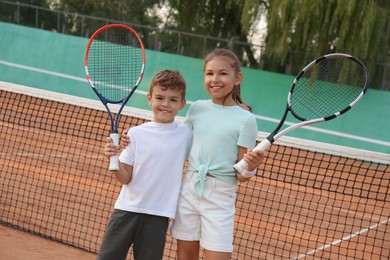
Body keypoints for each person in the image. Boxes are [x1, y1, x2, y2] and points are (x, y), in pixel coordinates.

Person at [121, 48, 265, 260]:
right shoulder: (197, 108)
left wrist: (251, 167)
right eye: (209, 73)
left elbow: (240, 175)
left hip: (220, 196)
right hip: (189, 190)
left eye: (223, 73)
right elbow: (175, 138)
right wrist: (132, 136)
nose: (215, 79)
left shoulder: (246, 119)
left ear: (238, 78)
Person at [96, 70, 193, 260]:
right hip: (126, 211)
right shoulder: (134, 134)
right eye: (160, 98)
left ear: (182, 104)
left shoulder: (187, 135)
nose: (165, 104)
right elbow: (125, 178)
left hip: (158, 216)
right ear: (150, 99)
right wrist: (112, 159)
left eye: (173, 100)